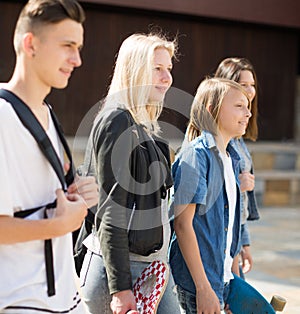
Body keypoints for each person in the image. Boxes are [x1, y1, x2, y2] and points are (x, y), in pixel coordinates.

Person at [0, 0, 98, 313]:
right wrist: (58, 226)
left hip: (65, 298)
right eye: (68, 45)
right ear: (30, 44)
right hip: (19, 301)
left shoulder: (47, 113)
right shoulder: (2, 117)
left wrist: (78, 193)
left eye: (79, 47)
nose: (77, 59)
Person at [79, 32, 181, 314]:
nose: (167, 78)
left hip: (151, 270)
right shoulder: (117, 120)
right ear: (135, 70)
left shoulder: (143, 121)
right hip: (122, 275)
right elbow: (112, 210)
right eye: (157, 69)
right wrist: (121, 290)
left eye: (169, 69)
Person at [169, 77, 252, 313]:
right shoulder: (196, 156)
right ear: (212, 109)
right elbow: (183, 225)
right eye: (239, 106)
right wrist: (204, 288)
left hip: (222, 281)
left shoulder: (232, 159)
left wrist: (234, 284)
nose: (248, 113)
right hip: (199, 286)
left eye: (247, 106)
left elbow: (229, 230)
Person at [214, 57, 260, 279]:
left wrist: (244, 242)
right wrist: (235, 185)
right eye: (244, 85)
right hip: (219, 242)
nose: (250, 91)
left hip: (234, 237)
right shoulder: (217, 141)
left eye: (252, 85)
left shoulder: (238, 138)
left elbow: (238, 205)